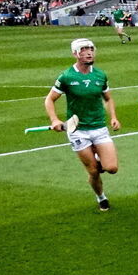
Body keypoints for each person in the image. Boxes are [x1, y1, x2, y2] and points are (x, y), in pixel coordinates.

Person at [43, 38, 121, 211]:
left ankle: (99, 156)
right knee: (93, 171)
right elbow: (49, 99)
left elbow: (108, 98)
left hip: (99, 128)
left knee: (112, 168)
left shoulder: (100, 75)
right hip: (77, 130)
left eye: (91, 49)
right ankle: (101, 197)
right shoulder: (67, 76)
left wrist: (113, 117)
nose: (89, 52)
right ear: (75, 53)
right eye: (84, 49)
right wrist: (54, 119)